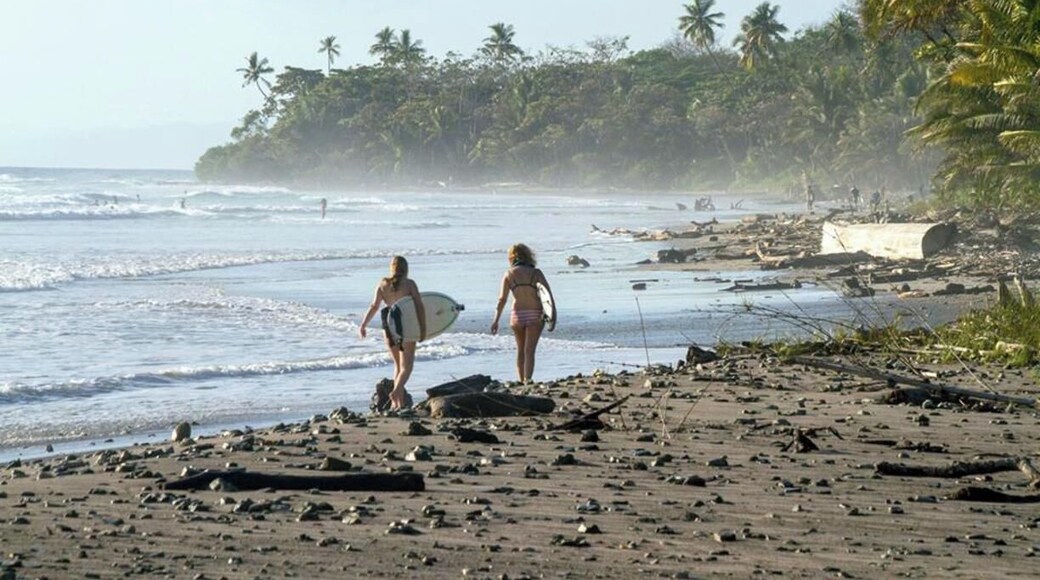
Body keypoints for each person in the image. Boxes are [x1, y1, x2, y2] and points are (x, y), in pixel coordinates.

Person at [359, 256, 426, 410]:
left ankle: (398, 404)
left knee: (397, 365)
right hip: (406, 326)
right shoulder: (409, 284)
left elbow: (374, 306)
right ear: (406, 268)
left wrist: (363, 325)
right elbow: (420, 307)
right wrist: (423, 329)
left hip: (388, 326)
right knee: (406, 367)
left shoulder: (383, 284)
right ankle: (395, 393)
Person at [491, 243, 555, 383]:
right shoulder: (536, 273)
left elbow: (502, 299)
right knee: (529, 350)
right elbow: (548, 296)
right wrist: (552, 317)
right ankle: (528, 379)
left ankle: (520, 381)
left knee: (520, 350)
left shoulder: (509, 274)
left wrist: (496, 320)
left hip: (517, 315)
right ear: (528, 255)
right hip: (535, 314)